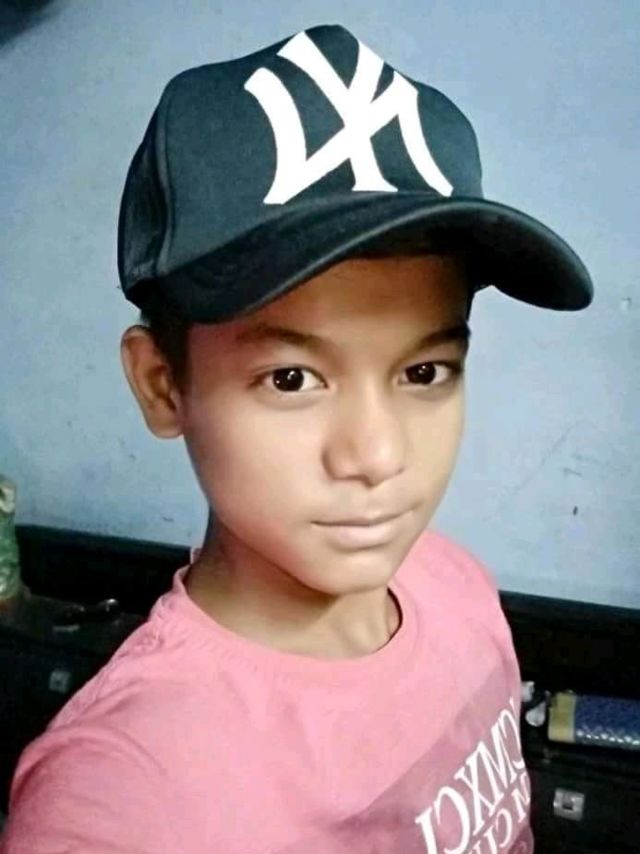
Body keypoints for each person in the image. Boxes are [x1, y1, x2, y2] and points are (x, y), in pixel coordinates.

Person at [1, 23, 592, 854]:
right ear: (162, 384)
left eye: (424, 372)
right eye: (291, 379)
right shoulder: (126, 800)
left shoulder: (454, 586)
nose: (378, 458)